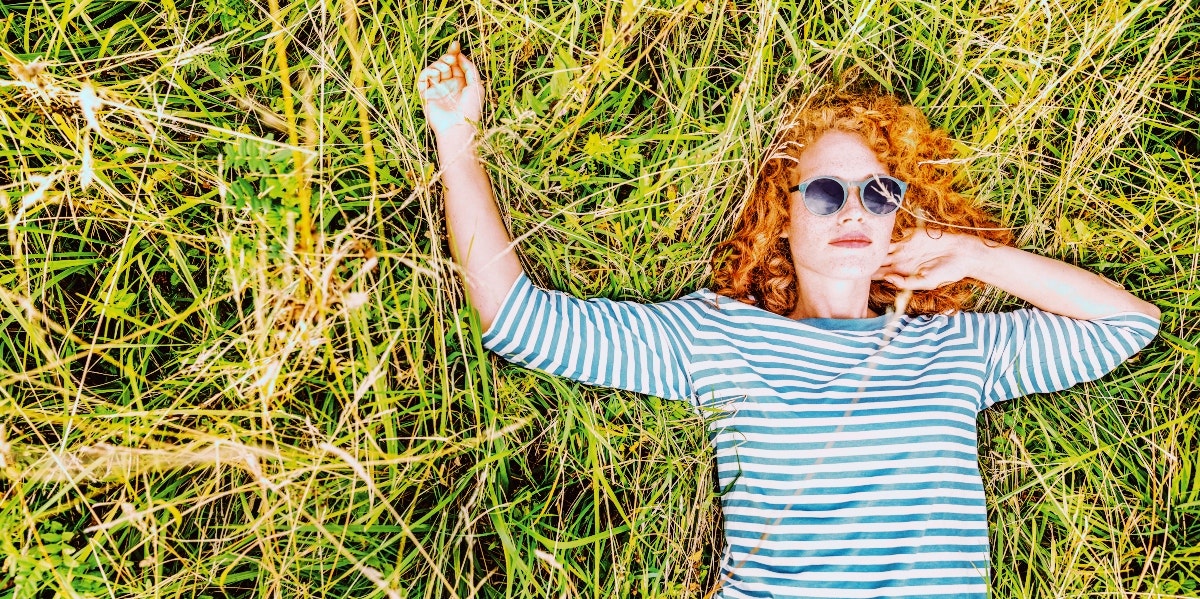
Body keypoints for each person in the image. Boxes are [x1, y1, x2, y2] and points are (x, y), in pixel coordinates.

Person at [417, 41, 1161, 599]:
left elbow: (1128, 324)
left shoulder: (957, 347)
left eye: (878, 192)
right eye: (826, 191)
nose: (853, 211)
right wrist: (457, 140)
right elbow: (519, 318)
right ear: (783, 212)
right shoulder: (718, 335)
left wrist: (974, 256)